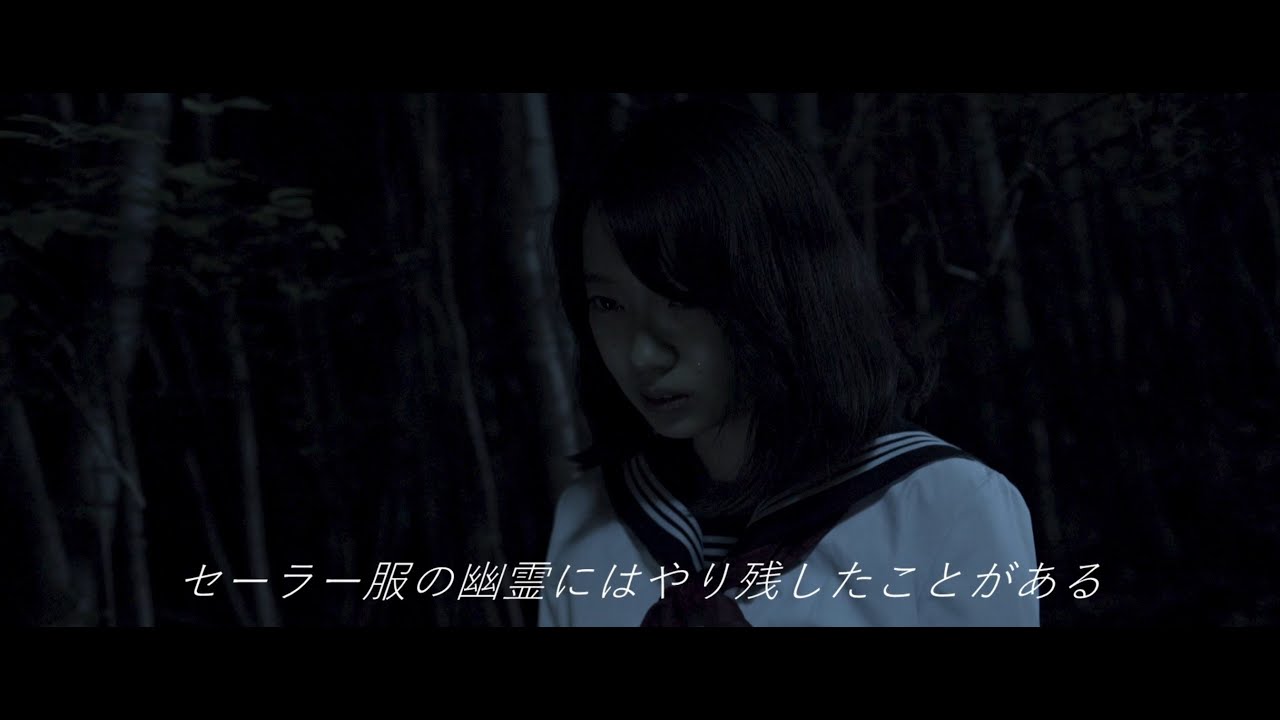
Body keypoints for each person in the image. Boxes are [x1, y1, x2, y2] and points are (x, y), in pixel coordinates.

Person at [536, 98, 1039, 627]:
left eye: (680, 298)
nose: (642, 352)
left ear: (778, 287)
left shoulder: (943, 506)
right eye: (607, 304)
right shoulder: (591, 516)